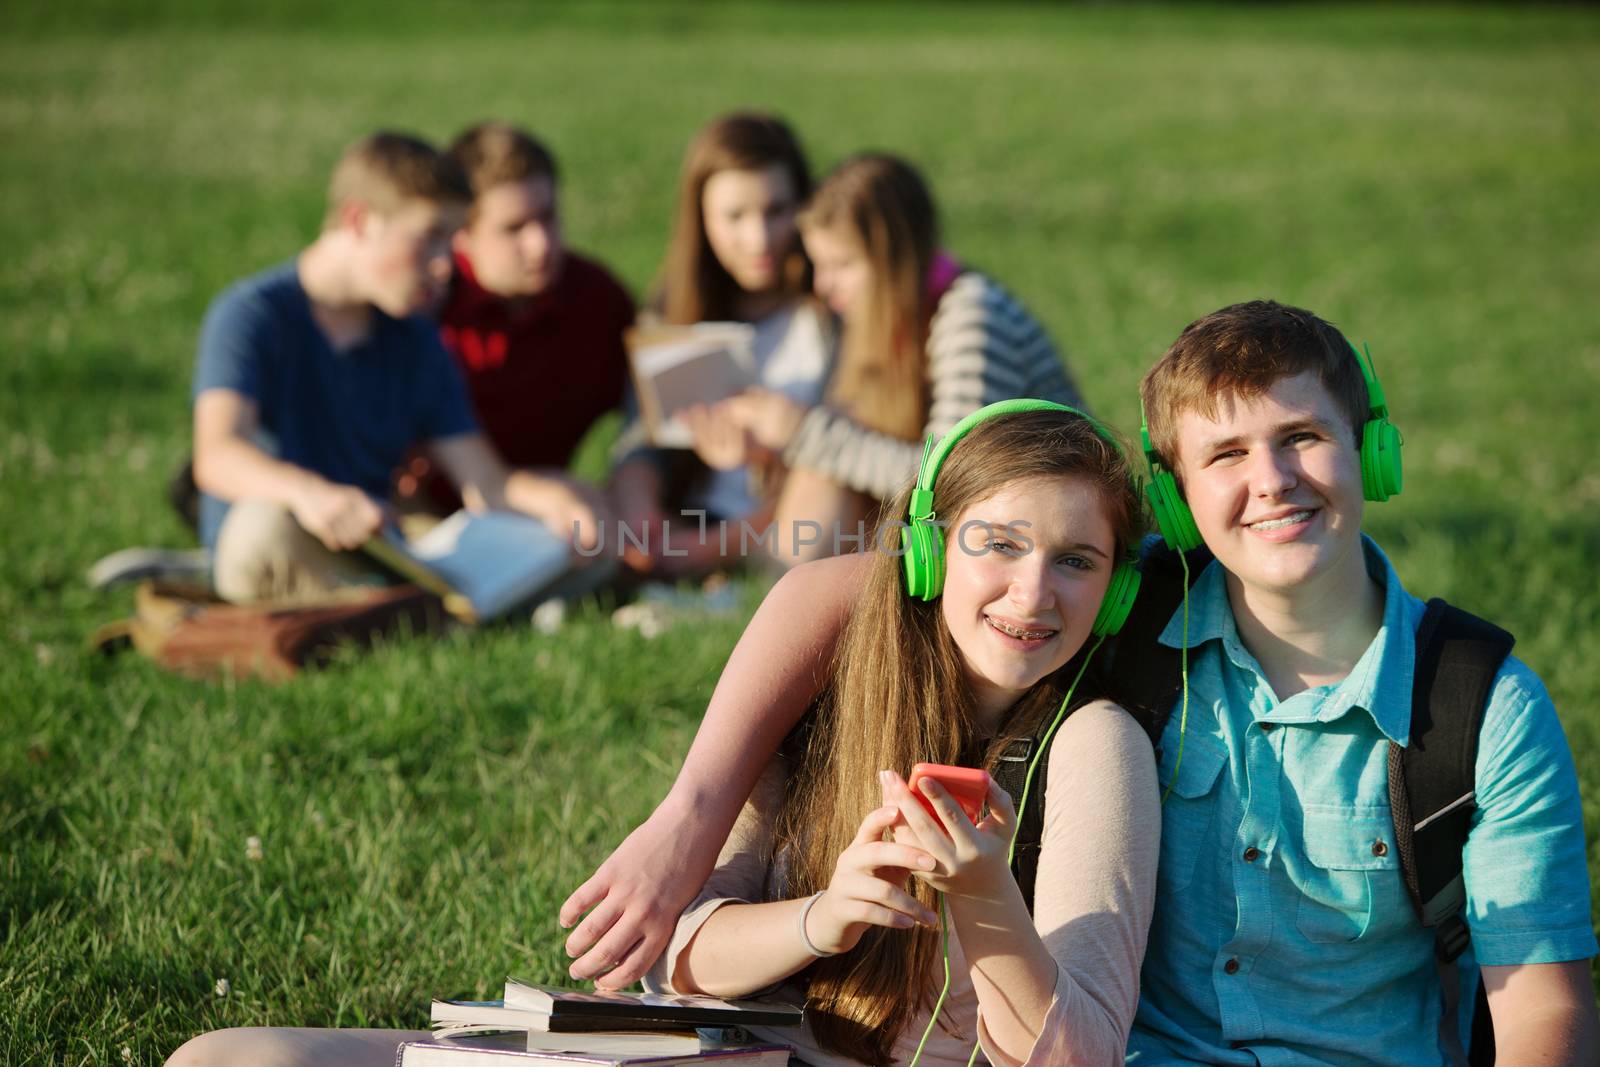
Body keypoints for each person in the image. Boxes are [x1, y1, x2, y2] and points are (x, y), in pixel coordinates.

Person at [562, 301, 1599, 1065]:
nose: (1272, 480)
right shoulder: (1126, 612)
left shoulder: (1478, 705)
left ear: (1369, 448)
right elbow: (853, 591)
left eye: (1302, 438)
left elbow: (1541, 1009)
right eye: (1226, 453)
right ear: (1179, 498)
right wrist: (688, 814)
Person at [166, 402, 1158, 1067]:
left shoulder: (1091, 745)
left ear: (1113, 591)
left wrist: (983, 892)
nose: (1033, 592)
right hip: (716, 1049)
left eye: (1076, 560)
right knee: (225, 1057)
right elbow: (679, 955)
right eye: (997, 543)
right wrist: (827, 914)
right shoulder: (840, 700)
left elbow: (1080, 1049)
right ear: (936, 554)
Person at [191, 131, 600, 606]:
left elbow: (486, 483)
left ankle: (412, 607)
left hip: (381, 550)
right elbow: (217, 454)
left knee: (580, 548)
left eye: (450, 241)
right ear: (359, 220)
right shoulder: (251, 315)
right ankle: (429, 609)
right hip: (283, 536)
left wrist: (556, 503)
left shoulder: (417, 339)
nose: (445, 264)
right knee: (261, 531)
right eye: (429, 238)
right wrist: (312, 496)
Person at [716, 153, 1086, 564]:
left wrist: (803, 433)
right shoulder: (879, 320)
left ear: (895, 260)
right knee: (823, 466)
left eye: (842, 264)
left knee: (825, 457)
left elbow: (949, 486)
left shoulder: (971, 315)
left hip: (1043, 524)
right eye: (818, 265)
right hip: (976, 524)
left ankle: (782, 605)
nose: (823, 285)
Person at [608, 111, 833, 577]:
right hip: (692, 516)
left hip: (803, 531)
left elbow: (843, 465)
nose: (758, 239)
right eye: (734, 217)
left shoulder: (828, 312)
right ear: (701, 219)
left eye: (776, 211)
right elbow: (641, 438)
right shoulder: (673, 310)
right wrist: (640, 510)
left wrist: (706, 550)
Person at [397, 121, 633, 535]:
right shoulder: (420, 310)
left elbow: (651, 415)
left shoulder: (596, 301)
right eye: (514, 228)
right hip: (417, 517)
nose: (540, 244)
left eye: (547, 217)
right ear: (461, 235)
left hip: (545, 513)